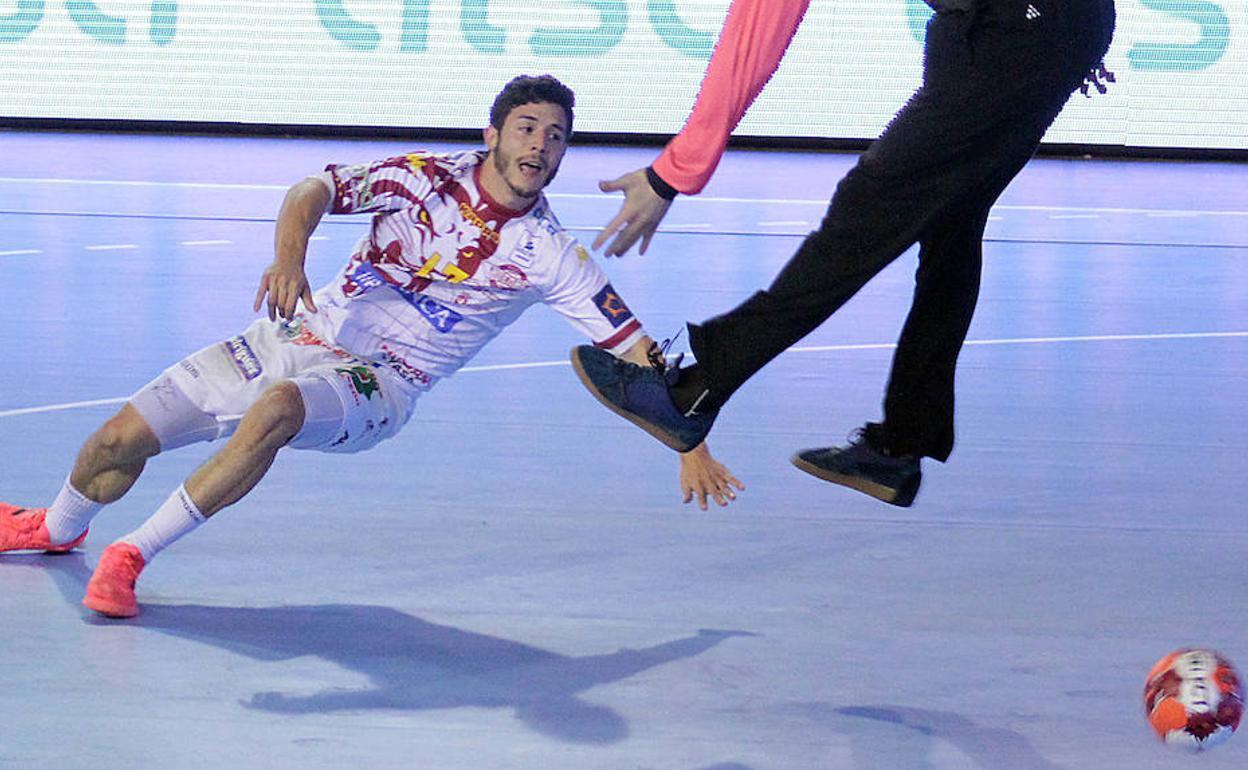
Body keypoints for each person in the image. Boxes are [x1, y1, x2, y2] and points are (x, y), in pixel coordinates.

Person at [0, 75, 743, 618]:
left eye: (555, 136)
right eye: (526, 127)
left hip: (379, 384)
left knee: (278, 410)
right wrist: (289, 257)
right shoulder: (421, 178)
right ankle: (55, 530)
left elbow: (636, 348)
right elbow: (310, 189)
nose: (540, 146)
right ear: (492, 135)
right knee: (114, 442)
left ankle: (132, 554)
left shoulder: (550, 254)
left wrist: (686, 437)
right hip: (296, 334)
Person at [571, 0, 1116, 506]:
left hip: (1022, 28)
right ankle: (901, 445)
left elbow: (754, 38)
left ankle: (696, 390)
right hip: (1022, 27)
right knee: (952, 224)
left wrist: (673, 173)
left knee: (869, 207)